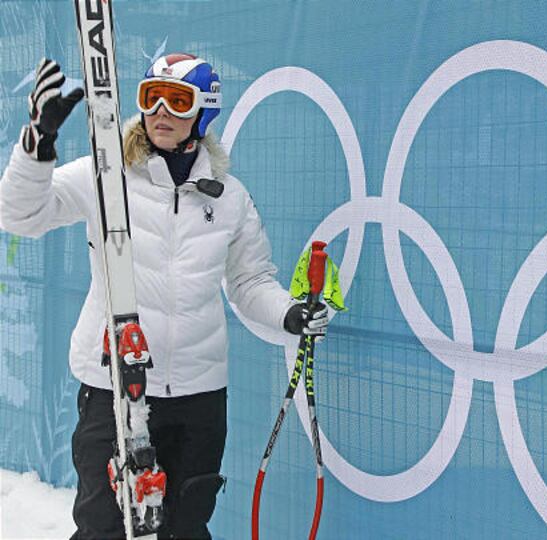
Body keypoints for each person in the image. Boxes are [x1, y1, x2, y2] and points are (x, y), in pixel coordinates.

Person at [0, 54, 327, 539]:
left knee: (186, 527)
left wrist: (289, 313)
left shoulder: (227, 196)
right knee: (103, 527)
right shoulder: (107, 175)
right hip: (114, 384)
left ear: (204, 111)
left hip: (198, 392)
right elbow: (21, 215)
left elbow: (250, 281)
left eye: (177, 101)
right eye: (150, 97)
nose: (160, 111)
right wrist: (37, 144)